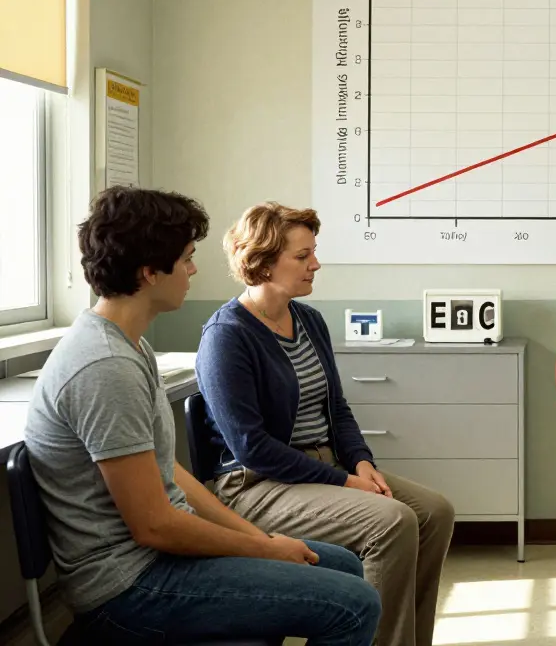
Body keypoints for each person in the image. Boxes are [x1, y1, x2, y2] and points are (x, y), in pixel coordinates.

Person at [23, 186, 381, 645]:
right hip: (129, 588)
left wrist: (259, 540)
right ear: (151, 271)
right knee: (355, 605)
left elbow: (165, 471)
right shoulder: (105, 366)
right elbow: (154, 525)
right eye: (187, 258)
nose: (194, 269)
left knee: (345, 565)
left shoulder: (129, 345)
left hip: (156, 561)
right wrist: (263, 547)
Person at [194, 201, 456, 646]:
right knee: (391, 521)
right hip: (256, 484)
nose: (316, 263)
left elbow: (337, 408)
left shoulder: (309, 320)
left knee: (434, 512)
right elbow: (251, 446)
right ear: (261, 261)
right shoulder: (226, 335)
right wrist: (341, 479)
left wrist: (361, 462)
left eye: (313, 252)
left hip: (323, 467)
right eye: (302, 256)